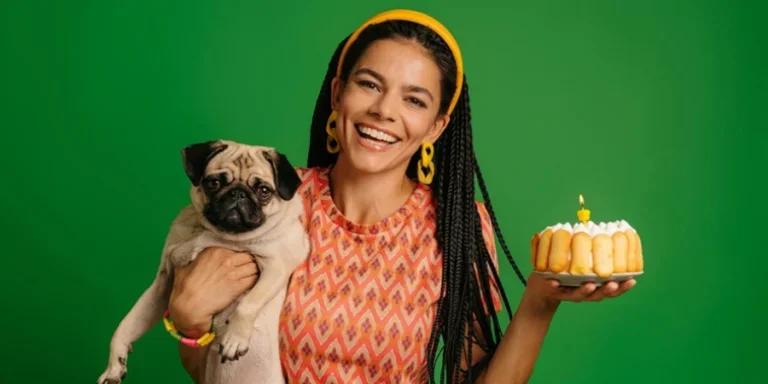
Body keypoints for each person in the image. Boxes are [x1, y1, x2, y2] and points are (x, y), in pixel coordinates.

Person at [167, 9, 636, 384]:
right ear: (338, 93)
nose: (384, 110)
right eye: (369, 84)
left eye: (414, 100)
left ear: (436, 126)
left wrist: (539, 303)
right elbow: (214, 371)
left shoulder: (458, 225)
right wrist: (189, 324)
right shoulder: (267, 205)